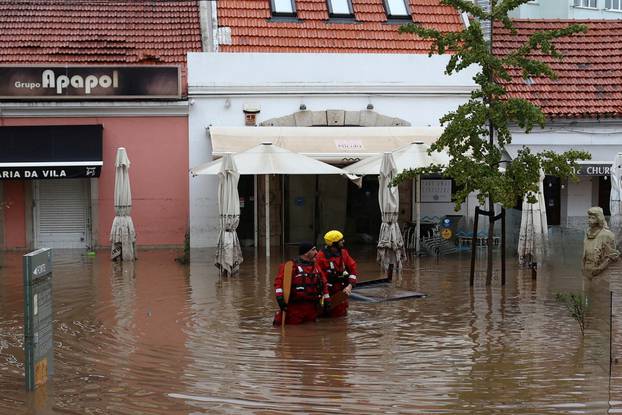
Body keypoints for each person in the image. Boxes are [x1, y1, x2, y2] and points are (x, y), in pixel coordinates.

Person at [273, 242, 330, 325]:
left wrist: (327, 300)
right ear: (306, 253)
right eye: (313, 250)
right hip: (295, 308)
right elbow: (279, 283)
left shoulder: (316, 267)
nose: (317, 252)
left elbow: (323, 283)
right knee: (294, 331)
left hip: (312, 308)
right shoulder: (291, 266)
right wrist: (280, 298)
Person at [316, 230, 358, 318]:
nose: (343, 241)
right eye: (341, 240)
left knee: (341, 314)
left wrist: (350, 285)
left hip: (341, 290)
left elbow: (352, 269)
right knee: (326, 314)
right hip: (328, 290)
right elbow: (319, 277)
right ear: (334, 243)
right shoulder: (320, 257)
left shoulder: (343, 253)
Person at [582, 206, 620, 278]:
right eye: (589, 217)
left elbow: (614, 255)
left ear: (599, 219)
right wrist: (583, 267)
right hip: (587, 270)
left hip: (601, 273)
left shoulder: (607, 235)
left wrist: (600, 268)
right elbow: (584, 253)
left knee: (600, 288)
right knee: (587, 288)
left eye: (593, 218)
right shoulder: (587, 233)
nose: (589, 220)